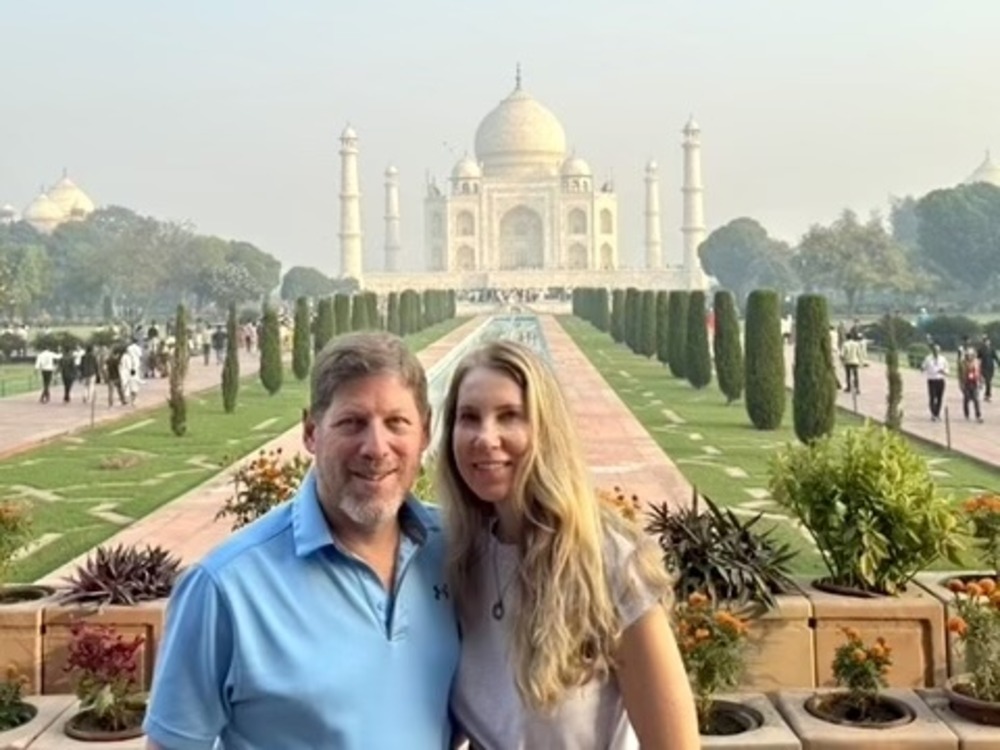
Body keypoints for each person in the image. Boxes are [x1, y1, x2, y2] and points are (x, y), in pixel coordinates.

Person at [144, 332, 459, 749]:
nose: (375, 447)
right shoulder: (226, 588)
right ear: (311, 432)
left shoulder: (455, 552)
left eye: (396, 423)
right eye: (352, 423)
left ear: (425, 433)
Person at [438, 340, 700, 750]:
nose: (485, 438)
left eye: (510, 416)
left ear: (546, 431)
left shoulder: (609, 562)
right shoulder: (457, 558)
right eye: (469, 417)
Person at [920, 343, 949, 422]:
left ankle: (937, 413)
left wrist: (944, 371)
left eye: (937, 350)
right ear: (932, 351)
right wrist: (923, 369)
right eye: (934, 350)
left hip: (940, 380)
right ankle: (933, 413)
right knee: (932, 397)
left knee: (939, 398)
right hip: (932, 380)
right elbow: (923, 367)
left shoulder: (943, 359)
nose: (936, 352)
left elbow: (947, 370)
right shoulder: (928, 358)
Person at [959, 348, 983, 423]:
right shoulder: (963, 363)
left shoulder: (976, 362)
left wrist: (981, 382)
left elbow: (979, 373)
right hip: (966, 383)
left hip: (974, 383)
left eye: (971, 355)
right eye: (968, 355)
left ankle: (978, 415)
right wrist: (961, 384)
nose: (970, 356)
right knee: (966, 399)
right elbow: (960, 374)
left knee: (976, 399)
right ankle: (966, 413)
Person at [976, 335, 1000, 402]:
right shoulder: (981, 349)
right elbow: (978, 358)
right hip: (984, 367)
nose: (987, 342)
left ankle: (986, 395)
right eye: (985, 341)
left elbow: (996, 357)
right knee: (987, 381)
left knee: (988, 382)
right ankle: (988, 395)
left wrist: (999, 365)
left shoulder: (992, 349)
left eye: (987, 341)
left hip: (991, 367)